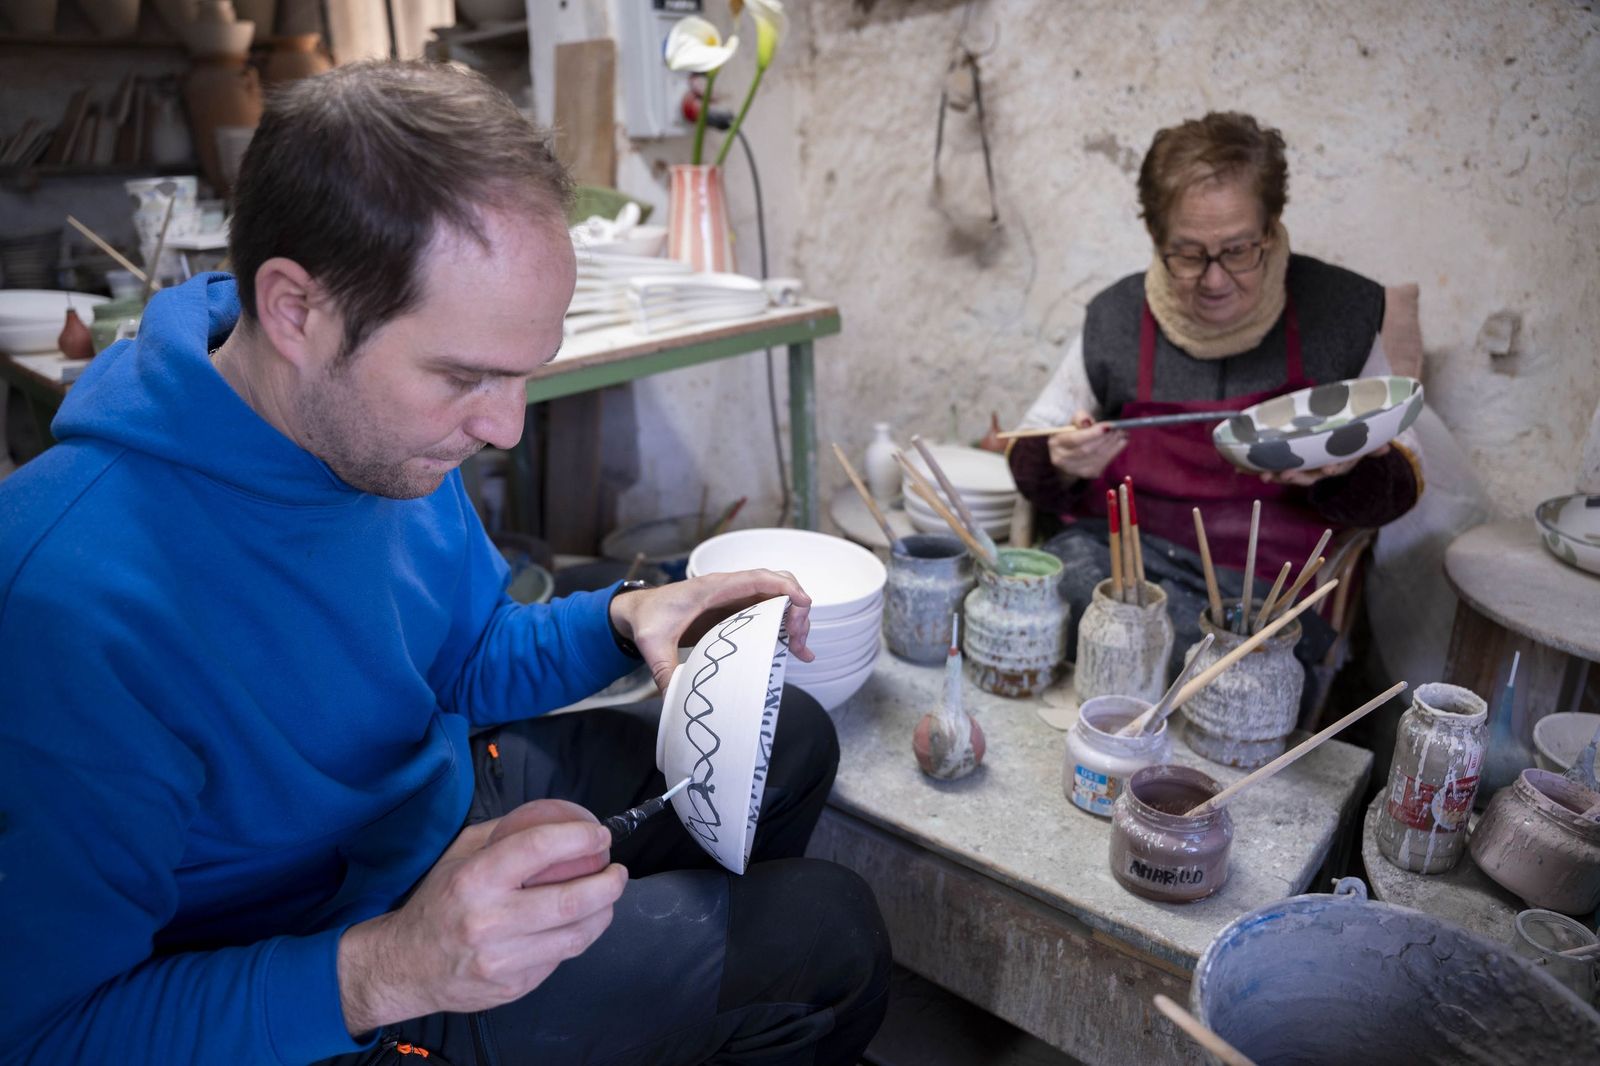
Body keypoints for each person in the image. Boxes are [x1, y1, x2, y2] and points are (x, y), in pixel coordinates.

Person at [0, 62, 889, 1065]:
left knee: (788, 735)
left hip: (418, 815)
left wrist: (623, 618)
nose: (504, 428)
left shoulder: (369, 429)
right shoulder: (69, 603)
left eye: (521, 376)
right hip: (299, 968)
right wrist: (389, 968)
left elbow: (461, 651)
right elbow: (45, 1034)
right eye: (466, 376)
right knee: (826, 934)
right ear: (295, 309)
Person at [1007, 111, 1422, 678]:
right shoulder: (1118, 315)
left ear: (1271, 229)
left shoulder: (1339, 312)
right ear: (1156, 239)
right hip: (1120, 566)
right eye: (1188, 254)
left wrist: (1343, 469)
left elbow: (1401, 478)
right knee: (1038, 599)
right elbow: (1032, 444)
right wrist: (1061, 457)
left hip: (1260, 591)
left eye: (1237, 250)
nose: (1215, 280)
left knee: (1239, 670)